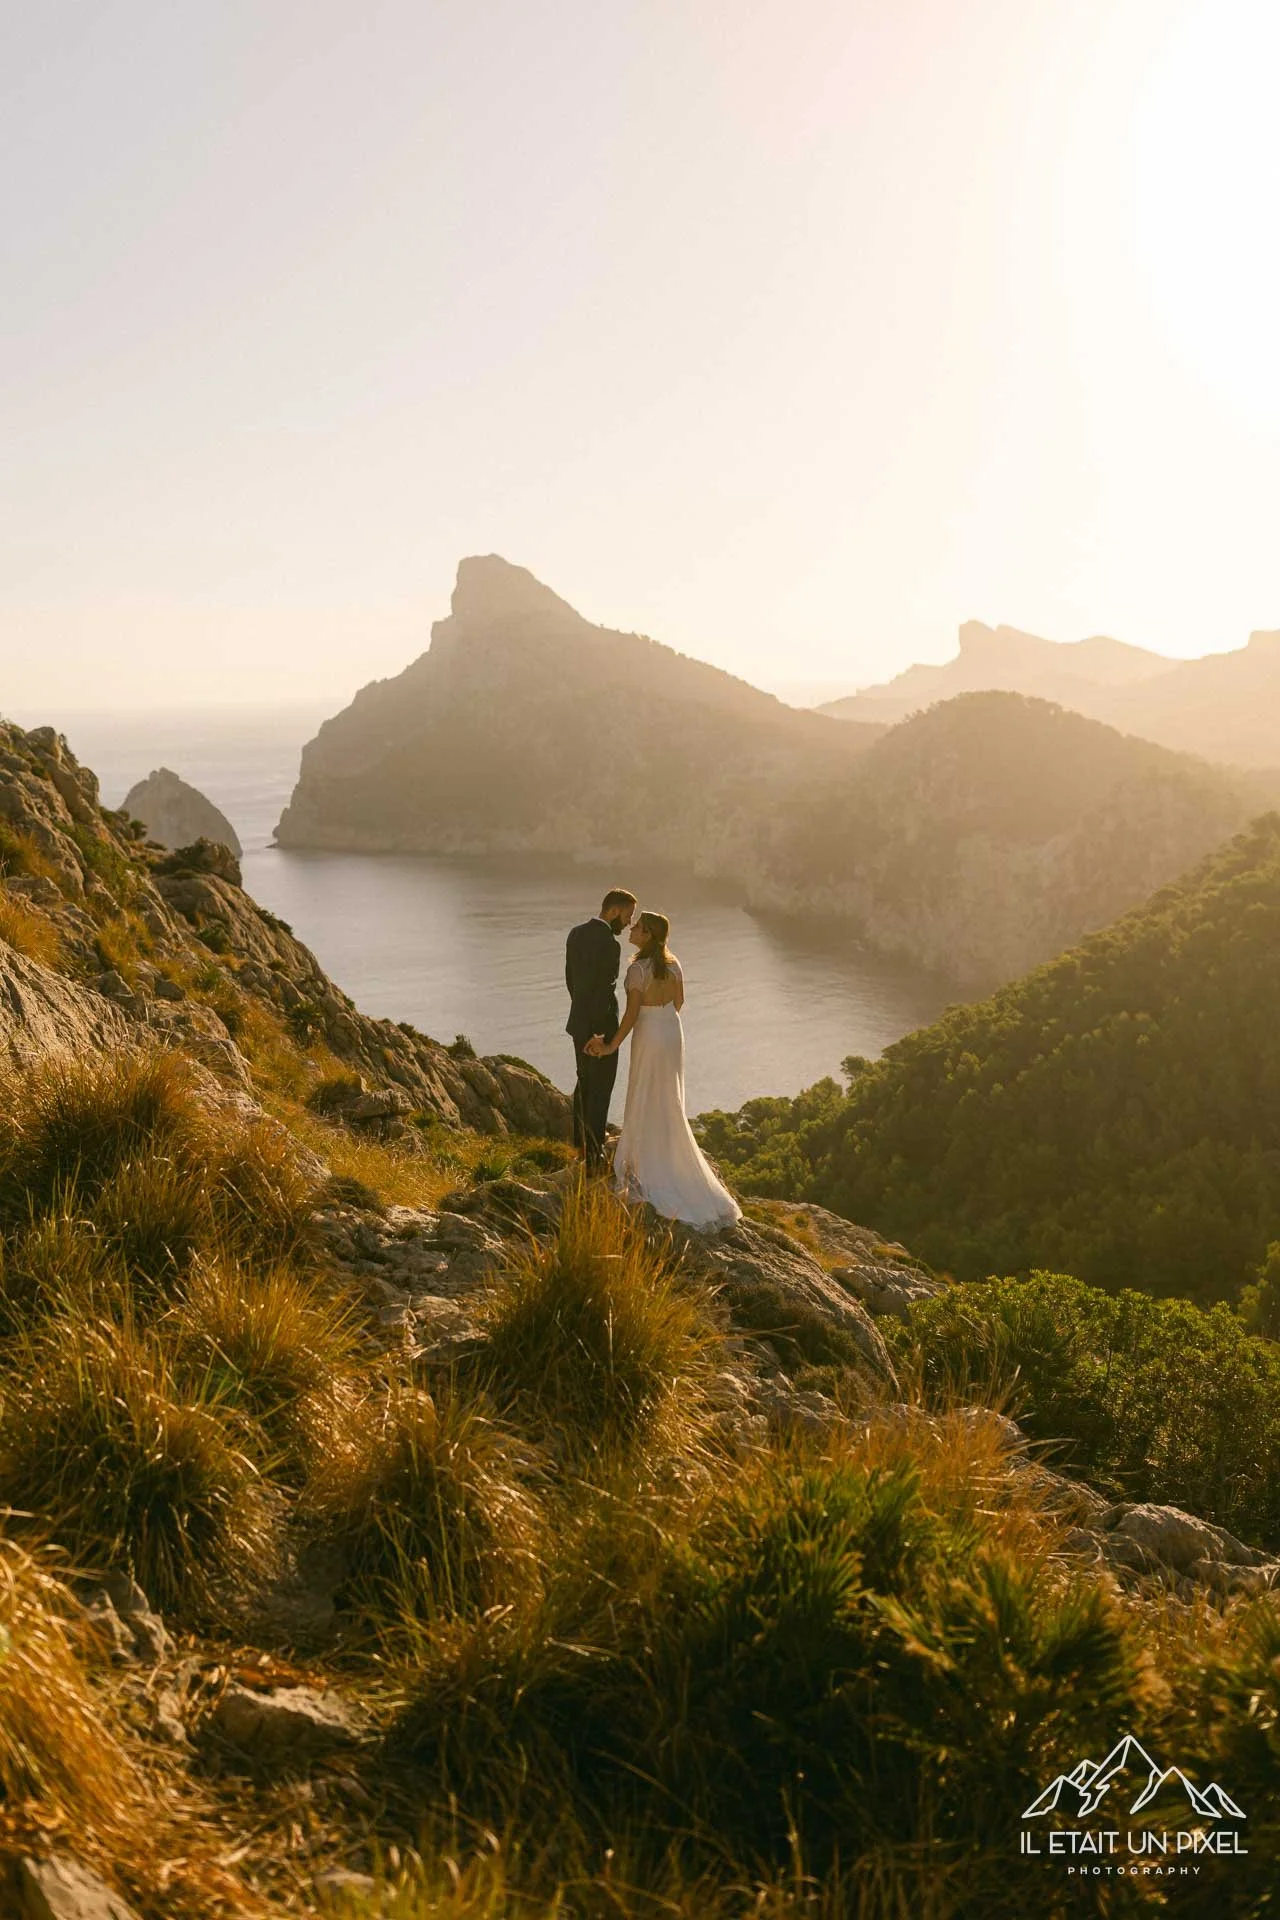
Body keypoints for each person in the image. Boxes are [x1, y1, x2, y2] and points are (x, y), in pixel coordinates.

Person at [586, 910, 741, 1231]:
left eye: (639, 927)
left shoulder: (636, 970)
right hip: (672, 1030)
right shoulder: (674, 964)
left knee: (644, 1089)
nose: (632, 928)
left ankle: (648, 1159)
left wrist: (611, 1045)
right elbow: (679, 1002)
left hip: (650, 1034)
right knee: (669, 1096)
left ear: (649, 935)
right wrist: (663, 1020)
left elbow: (630, 1016)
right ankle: (670, 1153)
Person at [565, 887, 636, 1173]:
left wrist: (584, 1025)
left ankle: (580, 1146)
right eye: (628, 915)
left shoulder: (576, 934)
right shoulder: (610, 944)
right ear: (614, 911)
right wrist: (598, 1034)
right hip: (600, 1029)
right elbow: (605, 992)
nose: (629, 922)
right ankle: (594, 1156)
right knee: (600, 1091)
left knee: (584, 1083)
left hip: (578, 1023)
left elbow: (572, 982)